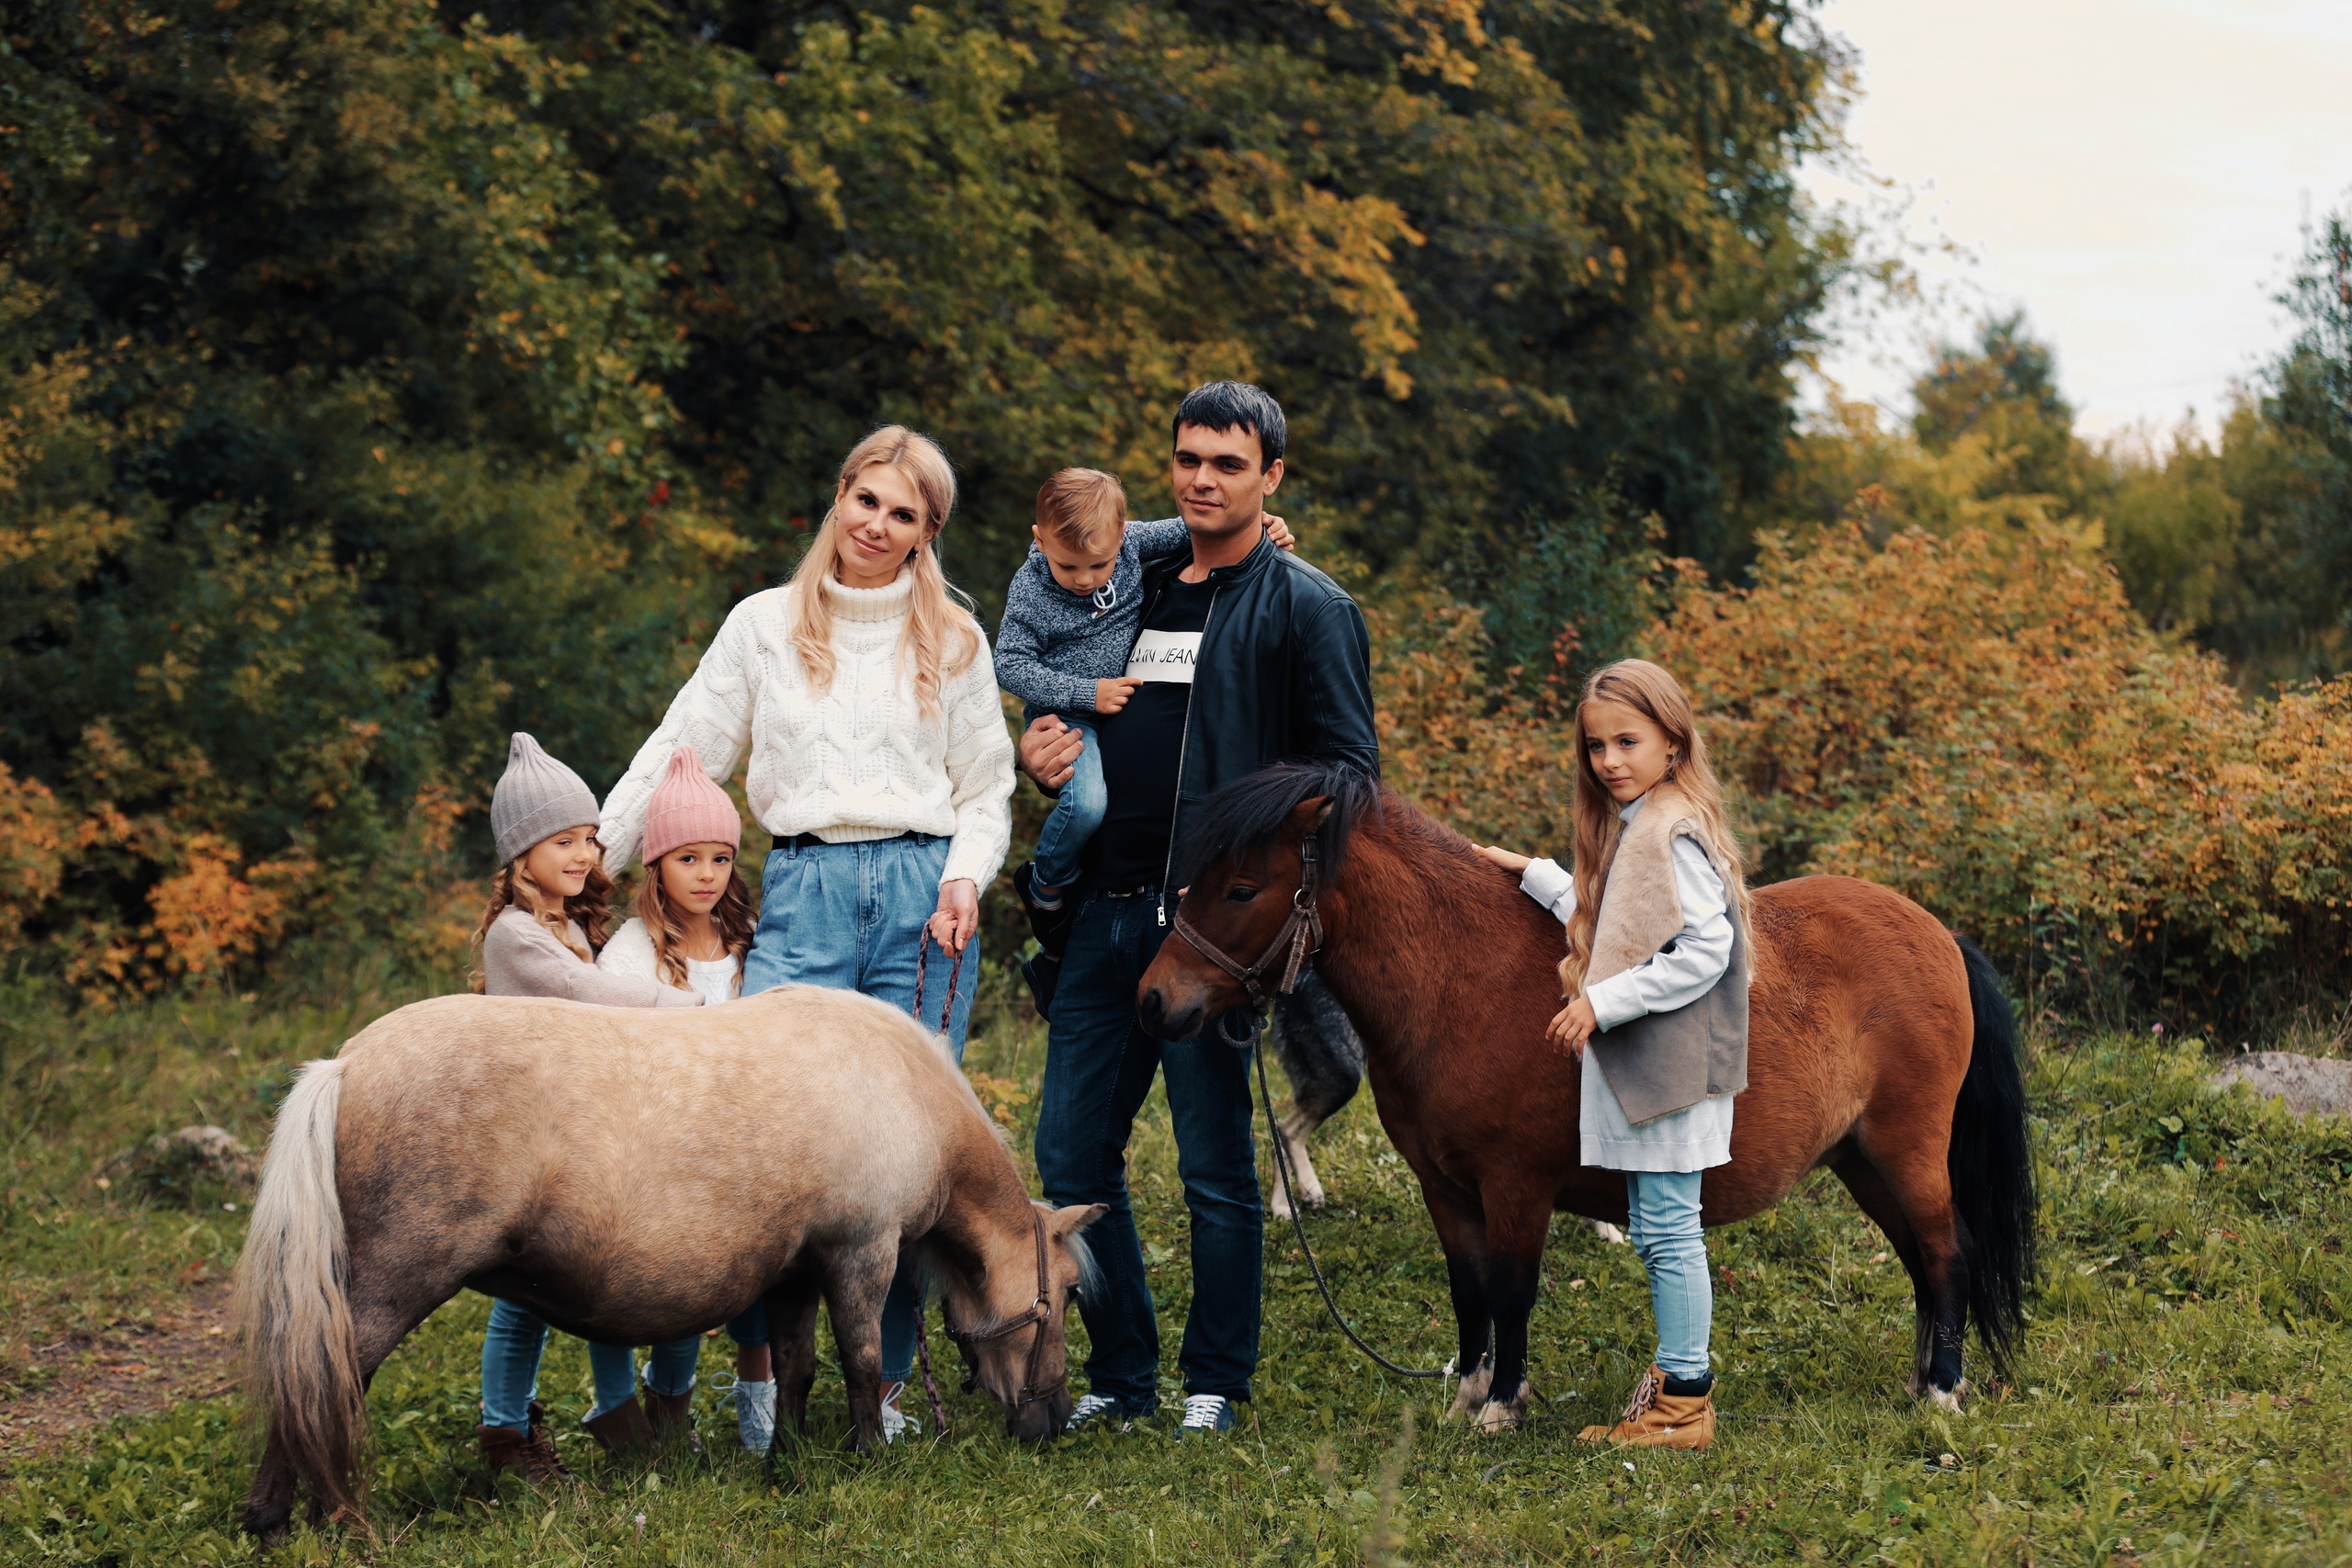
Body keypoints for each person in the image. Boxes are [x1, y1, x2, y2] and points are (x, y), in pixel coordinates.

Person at [598, 425, 1014, 1445]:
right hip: (806, 885)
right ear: (839, 496)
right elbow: (684, 747)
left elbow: (987, 786)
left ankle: (890, 1388)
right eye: (864, 500)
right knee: (764, 1143)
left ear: (927, 535)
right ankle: (761, 1386)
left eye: (902, 514)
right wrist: (584, 870)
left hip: (922, 895)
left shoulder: (954, 638)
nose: (876, 525)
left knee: (905, 1162)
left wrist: (964, 878)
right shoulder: (762, 626)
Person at [1016, 381, 1378, 1438]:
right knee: (1072, 1159)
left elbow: (1349, 779)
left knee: (1216, 1171)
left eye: (1228, 463)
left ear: (1271, 477)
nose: (1203, 479)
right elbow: (1066, 691)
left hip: (1210, 936)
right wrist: (1044, 757)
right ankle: (1122, 1379)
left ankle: (1214, 1385)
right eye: (1189, 460)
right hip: (1103, 913)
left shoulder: (1309, 604)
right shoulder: (1132, 582)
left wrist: (1248, 875)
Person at [1472, 658, 1751, 1451]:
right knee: (1663, 1227)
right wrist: (1535, 874)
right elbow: (1620, 920)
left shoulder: (1670, 829)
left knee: (1669, 1231)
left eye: (1628, 741)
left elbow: (1705, 946)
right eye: (1597, 746)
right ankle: (1679, 1386)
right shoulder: (1641, 823)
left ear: (1673, 742)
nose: (1610, 761)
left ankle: (1685, 1402)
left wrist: (1603, 1001)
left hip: (1668, 1062)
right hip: (1652, 1063)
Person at [468, 732, 703, 1483]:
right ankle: (506, 1435)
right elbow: (589, 996)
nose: (582, 855)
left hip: (574, 1129)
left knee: (603, 1271)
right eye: (562, 841)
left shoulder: (571, 925)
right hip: (527, 1136)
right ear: (519, 854)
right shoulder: (516, 936)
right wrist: (689, 1005)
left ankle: (617, 1407)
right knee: (523, 1300)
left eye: (591, 840)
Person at [993, 468, 1295, 1010]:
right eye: (1068, 566)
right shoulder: (1032, 587)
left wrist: (1263, 527)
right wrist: (1086, 693)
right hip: (1069, 715)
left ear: (1124, 533)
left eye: (1099, 566)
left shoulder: (1133, 542)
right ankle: (1047, 885)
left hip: (1128, 748)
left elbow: (1200, 529)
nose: (1085, 580)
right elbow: (1010, 664)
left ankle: (1061, 937)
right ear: (1039, 541)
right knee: (1087, 804)